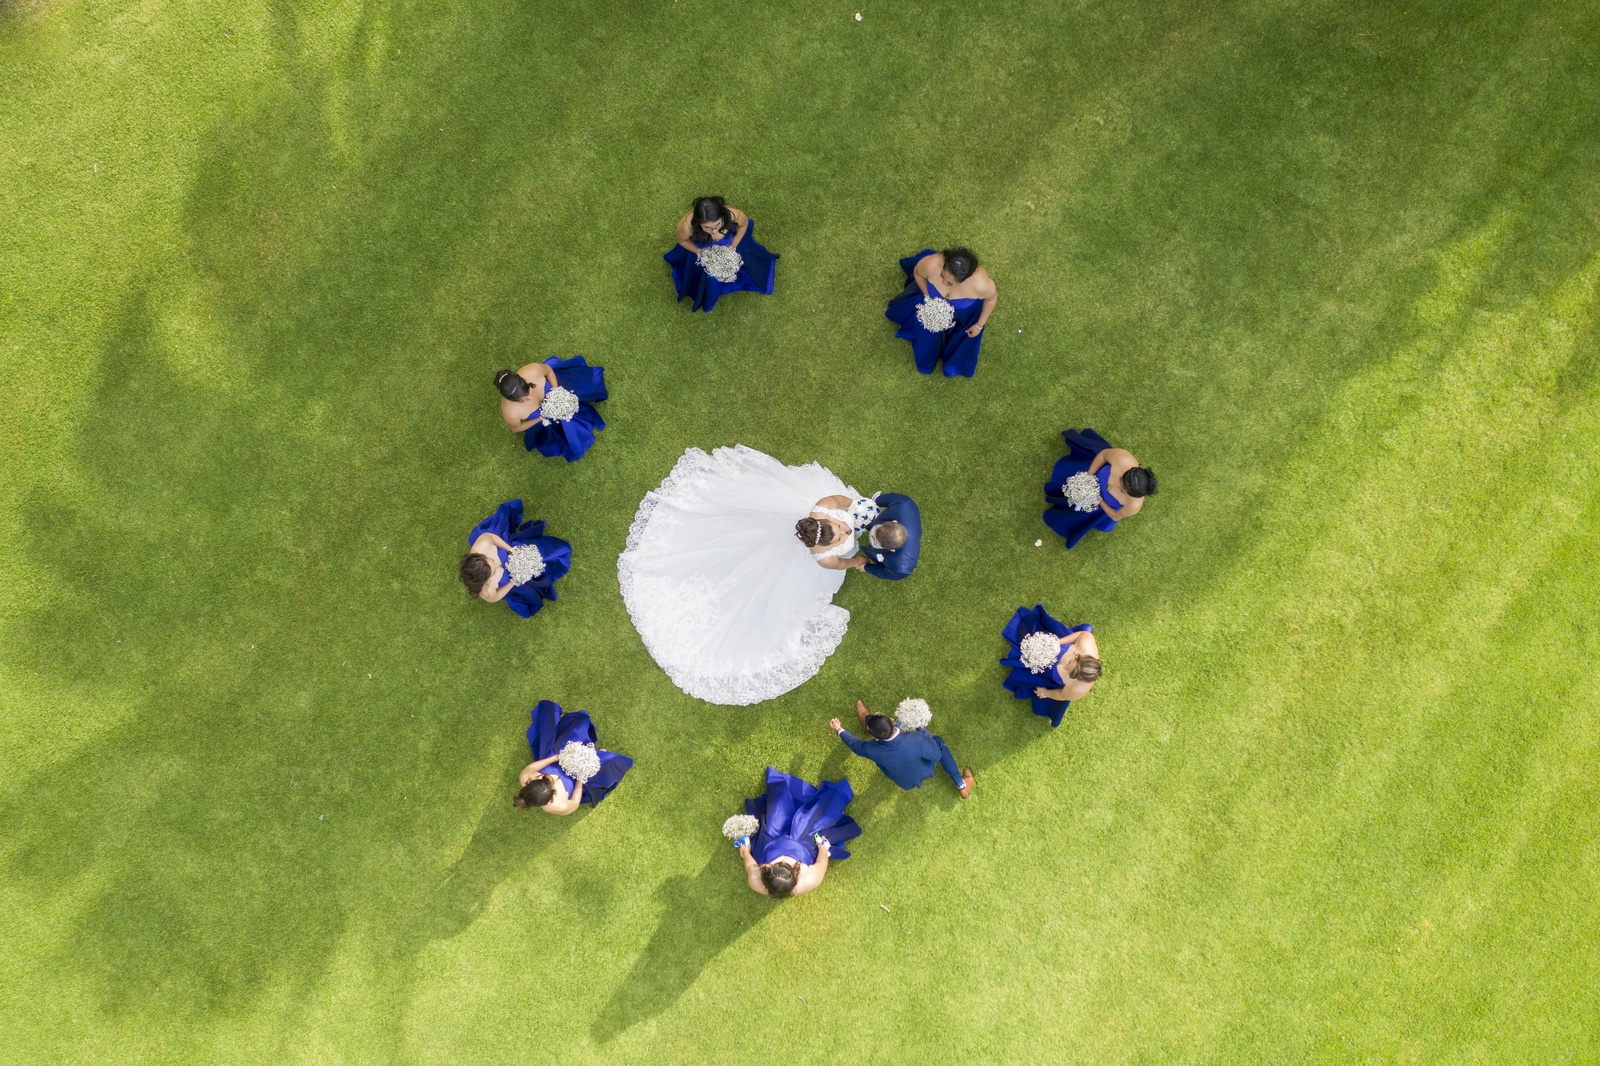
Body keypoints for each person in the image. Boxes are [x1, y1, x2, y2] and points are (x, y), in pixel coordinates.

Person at [618, 445, 879, 705]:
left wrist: (854, 504)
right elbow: (840, 565)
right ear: (824, 542)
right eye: (840, 535)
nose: (846, 532)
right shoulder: (823, 558)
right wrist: (858, 561)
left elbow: (837, 501)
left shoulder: (823, 508)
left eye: (841, 531)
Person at [737, 766, 861, 898]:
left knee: (777, 809)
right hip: (803, 844)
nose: (782, 861)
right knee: (813, 820)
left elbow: (748, 859)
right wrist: (823, 846)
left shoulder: (756, 880)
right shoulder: (810, 880)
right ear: (795, 877)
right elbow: (821, 863)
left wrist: (745, 849)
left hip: (771, 841)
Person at [884, 247, 997, 378]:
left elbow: (991, 300)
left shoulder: (981, 285)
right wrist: (927, 295)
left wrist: (979, 325)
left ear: (964, 280)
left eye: (949, 283)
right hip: (930, 304)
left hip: (962, 316)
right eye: (942, 275)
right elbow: (918, 274)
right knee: (926, 335)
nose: (943, 282)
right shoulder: (931, 264)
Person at [830, 700, 973, 796]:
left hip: (905, 782)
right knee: (938, 743)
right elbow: (936, 756)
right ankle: (962, 786)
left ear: (876, 738)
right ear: (891, 721)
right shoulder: (917, 738)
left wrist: (839, 729)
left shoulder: (871, 749)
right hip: (925, 769)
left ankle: (868, 722)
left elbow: (855, 745)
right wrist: (921, 729)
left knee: (931, 744)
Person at [1042, 429, 1157, 549]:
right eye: (1120, 480)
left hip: (1098, 504)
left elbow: (1115, 515)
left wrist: (1098, 499)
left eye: (1122, 490)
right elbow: (1103, 455)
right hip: (1091, 476)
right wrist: (1089, 476)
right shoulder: (1122, 458)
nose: (1116, 485)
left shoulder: (1133, 506)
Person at [662, 196, 779, 312]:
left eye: (717, 225)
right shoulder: (686, 227)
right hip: (702, 247)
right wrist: (701, 252)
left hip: (729, 242)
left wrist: (732, 247)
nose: (713, 231)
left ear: (723, 217)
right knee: (707, 276)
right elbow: (682, 240)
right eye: (707, 227)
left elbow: (743, 226)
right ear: (698, 223)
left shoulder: (734, 214)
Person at [516, 700, 634, 814]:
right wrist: (581, 776)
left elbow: (533, 767)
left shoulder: (526, 776)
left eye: (542, 776)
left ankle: (584, 743)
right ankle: (595, 754)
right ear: (552, 798)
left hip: (556, 760)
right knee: (607, 762)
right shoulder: (560, 806)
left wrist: (557, 757)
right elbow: (575, 800)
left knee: (572, 735)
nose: (544, 776)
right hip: (576, 777)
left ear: (530, 781)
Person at [460, 500, 571, 618]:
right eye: (493, 571)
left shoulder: (482, 546)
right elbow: (496, 596)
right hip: (516, 576)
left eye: (491, 561)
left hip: (513, 552)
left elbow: (492, 537)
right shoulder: (487, 591)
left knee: (542, 551)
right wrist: (513, 581)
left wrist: (511, 550)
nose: (496, 566)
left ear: (481, 556)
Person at [999, 605, 1101, 727]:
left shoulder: (1076, 690)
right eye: (1071, 661)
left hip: (1049, 672)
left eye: (1068, 671)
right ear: (1079, 657)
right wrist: (1056, 643)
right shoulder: (1086, 645)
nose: (1065, 665)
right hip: (1055, 648)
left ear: (1075, 678)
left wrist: (1045, 693)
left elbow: (1062, 695)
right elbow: (1080, 635)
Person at [495, 358, 608, 463]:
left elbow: (548, 371)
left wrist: (555, 390)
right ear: (512, 400)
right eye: (523, 400)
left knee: (583, 387)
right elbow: (517, 428)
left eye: (529, 391)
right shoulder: (510, 413)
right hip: (546, 421)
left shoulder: (533, 370)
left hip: (557, 394)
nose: (530, 398)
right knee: (567, 428)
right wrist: (540, 418)